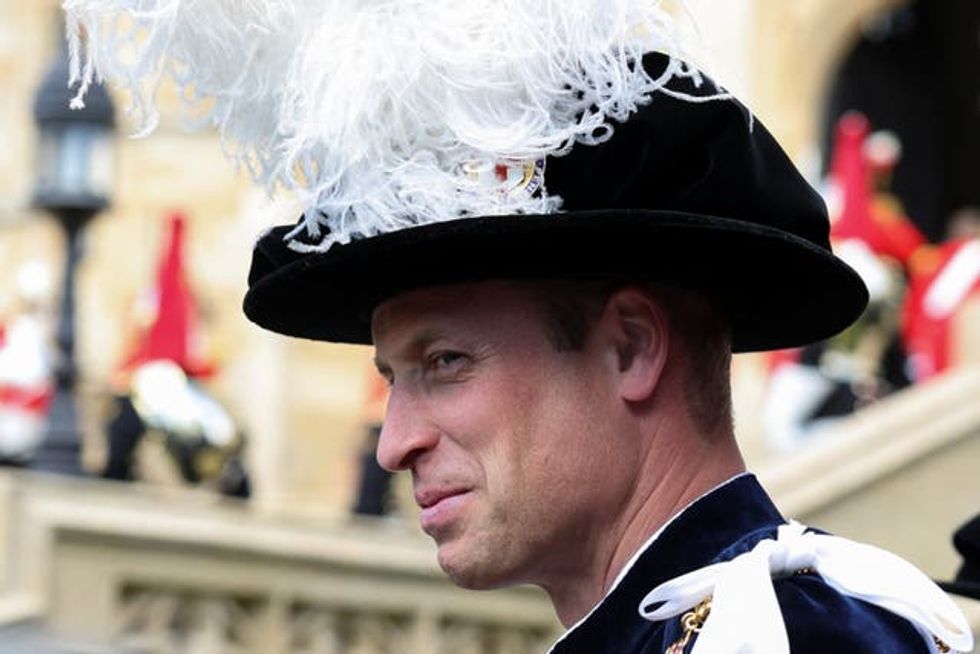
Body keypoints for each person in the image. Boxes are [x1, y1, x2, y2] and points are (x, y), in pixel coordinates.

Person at [66, 2, 973, 651]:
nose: (395, 443)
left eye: (447, 361)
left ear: (631, 347)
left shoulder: (800, 635)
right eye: (395, 377)